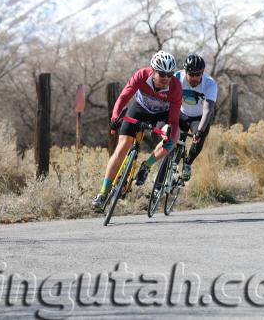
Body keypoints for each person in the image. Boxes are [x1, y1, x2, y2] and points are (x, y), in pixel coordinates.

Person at [92, 51, 182, 210]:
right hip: (140, 109)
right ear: (153, 71)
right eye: (162, 74)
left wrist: (170, 136)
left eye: (170, 74)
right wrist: (115, 117)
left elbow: (174, 120)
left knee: (173, 137)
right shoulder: (141, 75)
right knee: (123, 146)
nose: (166, 78)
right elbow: (123, 97)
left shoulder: (175, 87)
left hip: (162, 115)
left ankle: (146, 165)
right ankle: (103, 193)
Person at [174, 54, 217, 182]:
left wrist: (199, 132)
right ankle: (172, 164)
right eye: (191, 74)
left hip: (199, 117)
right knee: (173, 138)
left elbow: (208, 110)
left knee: (199, 138)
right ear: (185, 72)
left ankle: (188, 163)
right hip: (181, 113)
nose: (194, 78)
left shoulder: (209, 83)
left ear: (202, 73)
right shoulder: (177, 78)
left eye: (197, 74)